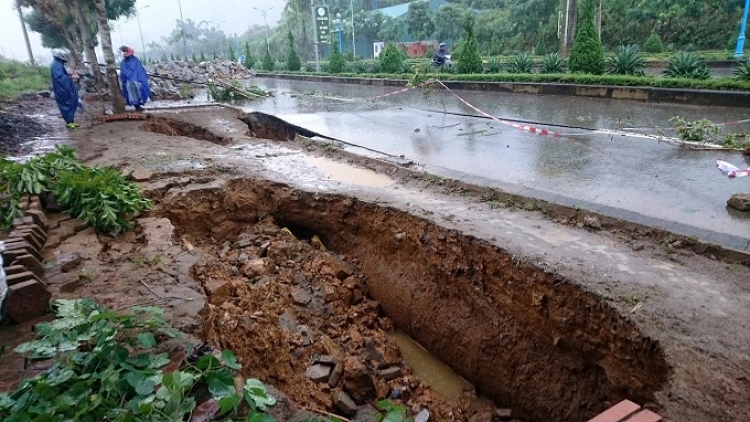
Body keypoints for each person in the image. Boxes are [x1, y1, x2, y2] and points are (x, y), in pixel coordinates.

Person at [50, 48, 80, 129]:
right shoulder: (56, 64)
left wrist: (69, 74)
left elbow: (62, 74)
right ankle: (69, 122)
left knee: (71, 102)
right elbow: (60, 77)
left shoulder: (58, 63)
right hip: (62, 89)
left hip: (63, 88)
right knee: (68, 104)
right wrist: (71, 77)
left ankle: (70, 121)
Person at [119, 45, 151, 111]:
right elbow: (140, 70)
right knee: (136, 93)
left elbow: (124, 72)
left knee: (134, 94)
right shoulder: (133, 60)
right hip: (135, 81)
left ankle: (137, 106)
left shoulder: (125, 62)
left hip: (131, 81)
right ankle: (137, 106)